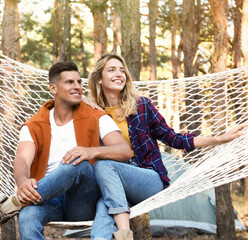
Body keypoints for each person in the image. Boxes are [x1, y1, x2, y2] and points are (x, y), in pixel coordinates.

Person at [0, 61, 132, 240]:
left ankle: (5, 209)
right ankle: (16, 205)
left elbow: (124, 151)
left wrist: (90, 152)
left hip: (83, 200)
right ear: (53, 88)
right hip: (47, 198)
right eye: (70, 82)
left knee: (77, 163)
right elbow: (22, 159)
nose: (77, 87)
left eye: (79, 82)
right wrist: (23, 181)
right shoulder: (34, 124)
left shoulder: (96, 116)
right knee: (27, 216)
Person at [86, 53, 248, 240]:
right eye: (112, 70)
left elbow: (175, 139)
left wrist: (220, 138)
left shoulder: (141, 106)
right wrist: (85, 101)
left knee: (103, 165)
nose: (119, 74)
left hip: (146, 178)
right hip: (114, 185)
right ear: (99, 78)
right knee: (103, 210)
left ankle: (125, 235)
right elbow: (63, 98)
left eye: (122, 70)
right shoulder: (91, 113)